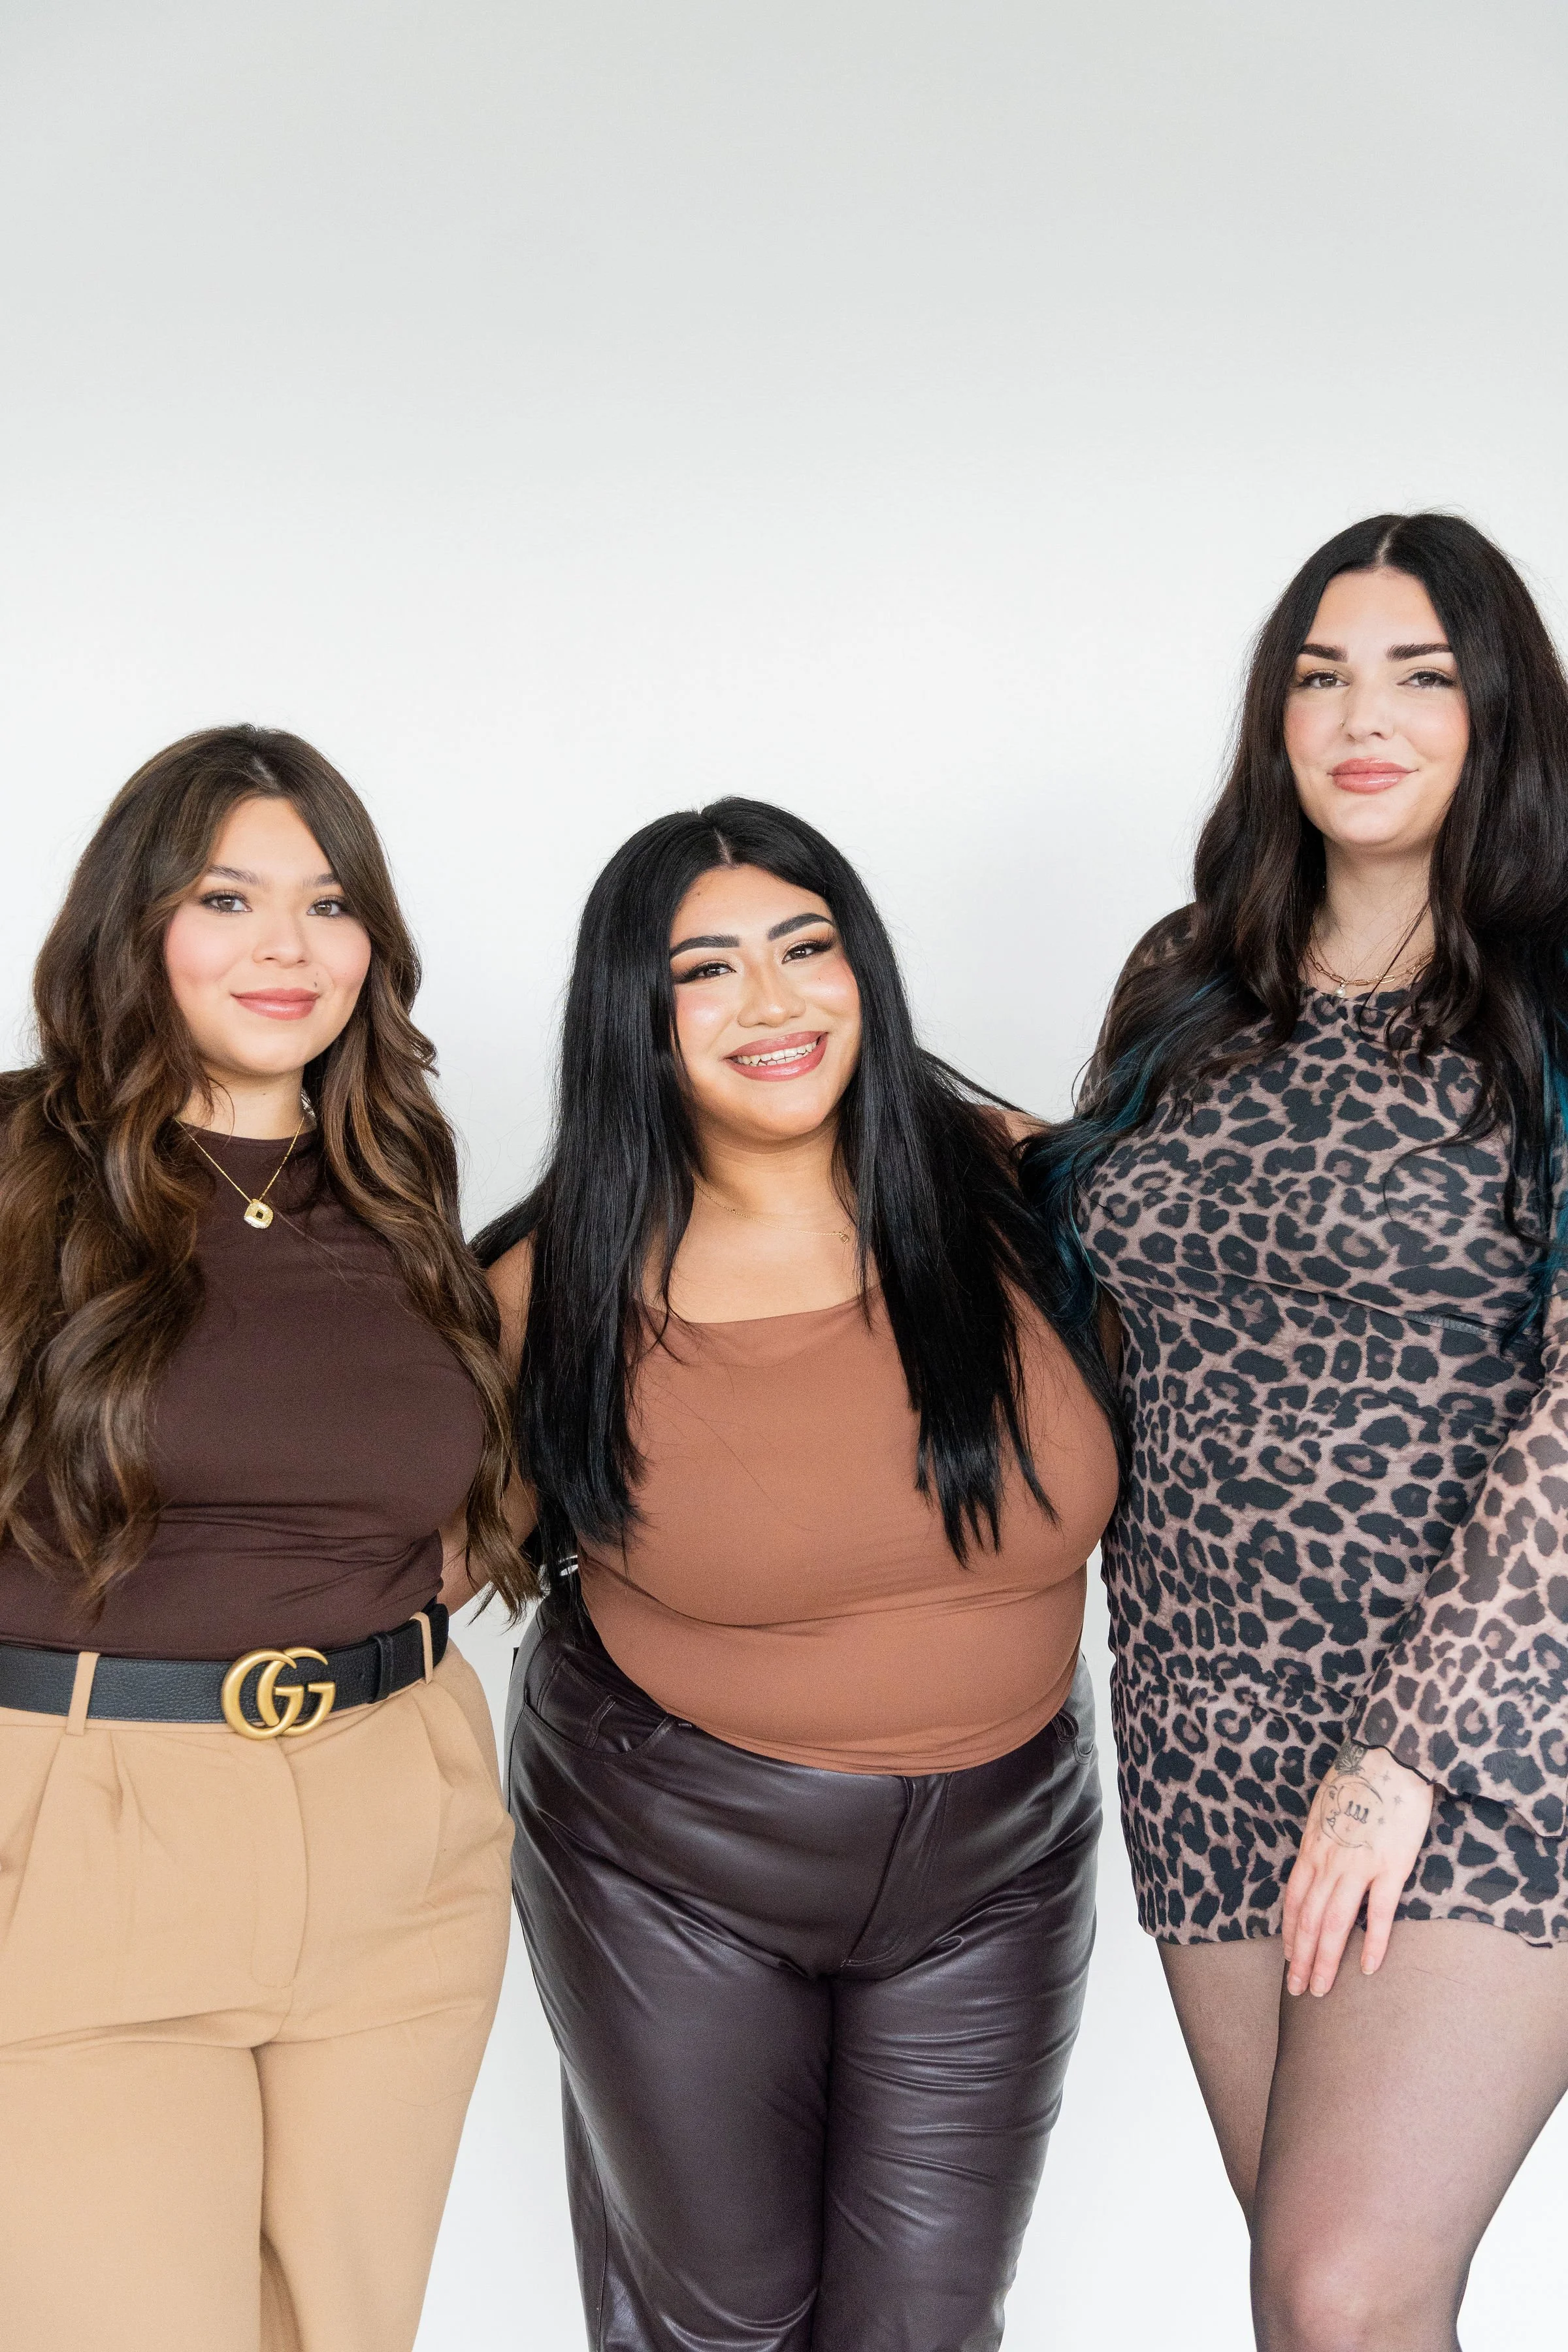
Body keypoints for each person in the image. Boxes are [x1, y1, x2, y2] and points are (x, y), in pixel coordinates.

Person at [474, 798, 1120, 2352]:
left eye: (806, 947)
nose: (773, 1003)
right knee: (725, 2325)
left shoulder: (1015, 1189)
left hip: (1002, 1861)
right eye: (707, 972)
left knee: (928, 2325)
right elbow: (399, 1550)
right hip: (673, 1862)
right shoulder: (541, 1290)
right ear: (635, 1024)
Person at [1025, 512, 1568, 2349]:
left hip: (1488, 1724)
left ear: (1499, 712)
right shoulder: (1189, 978)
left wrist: (1407, 1749)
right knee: (1320, 2300)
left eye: (1422, 675)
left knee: (1348, 2287)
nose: (1365, 715)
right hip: (1204, 1716)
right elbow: (1098, 1262)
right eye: (1322, 675)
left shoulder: (1557, 988)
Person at [0, 727, 521, 2352]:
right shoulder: (20, 1168)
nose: (287, 947)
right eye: (228, 898)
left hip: (401, 1819)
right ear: (136, 922)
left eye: (329, 901)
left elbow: (430, 1485)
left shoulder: (393, 1181)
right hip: (91, 1822)